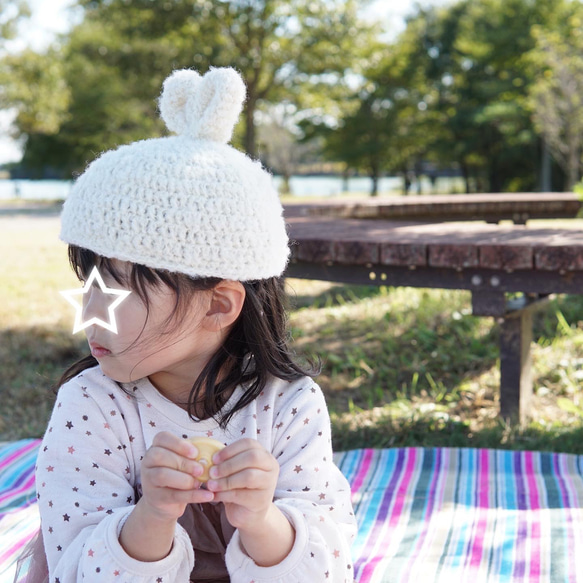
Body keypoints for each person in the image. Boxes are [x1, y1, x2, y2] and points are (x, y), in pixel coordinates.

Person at [18, 66, 357, 583]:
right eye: (88, 281)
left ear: (219, 306)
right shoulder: (92, 405)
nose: (89, 309)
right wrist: (150, 518)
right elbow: (72, 568)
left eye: (119, 285)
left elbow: (329, 565)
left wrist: (262, 522)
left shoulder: (289, 405)